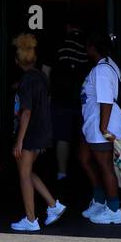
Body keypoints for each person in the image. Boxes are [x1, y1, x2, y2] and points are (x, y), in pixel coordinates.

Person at [10, 33, 65, 232]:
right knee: (28, 171)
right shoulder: (41, 76)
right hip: (43, 129)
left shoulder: (26, 81)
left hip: (31, 132)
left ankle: (31, 219)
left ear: (17, 61)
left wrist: (19, 141)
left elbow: (26, 112)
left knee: (23, 175)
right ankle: (53, 204)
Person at [78, 32, 121, 225]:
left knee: (105, 166)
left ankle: (114, 209)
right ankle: (100, 200)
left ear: (92, 48)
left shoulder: (103, 70)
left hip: (102, 124)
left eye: (87, 46)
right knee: (84, 158)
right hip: (92, 123)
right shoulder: (105, 65)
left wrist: (103, 128)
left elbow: (106, 99)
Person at [51, 21, 88, 183]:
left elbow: (46, 71)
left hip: (61, 98)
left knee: (63, 137)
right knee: (85, 137)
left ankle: (62, 172)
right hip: (84, 99)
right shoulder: (87, 46)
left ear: (68, 27)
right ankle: (84, 171)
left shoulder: (59, 45)